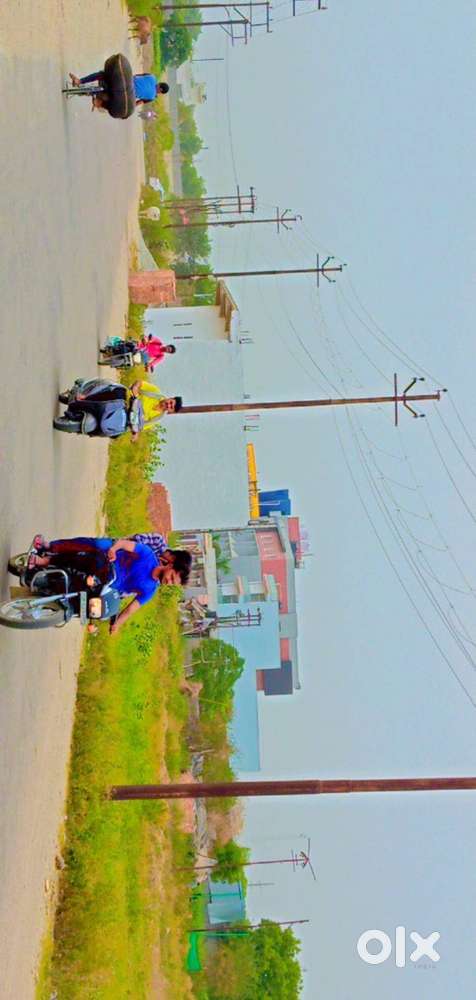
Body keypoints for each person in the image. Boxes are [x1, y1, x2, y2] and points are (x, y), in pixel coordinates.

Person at [30, 535, 187, 634]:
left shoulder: (150, 590)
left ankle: (47, 606)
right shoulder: (147, 554)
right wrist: (113, 549)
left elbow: (131, 609)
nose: (169, 582)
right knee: (88, 554)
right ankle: (46, 559)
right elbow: (124, 544)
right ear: (170, 565)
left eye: (172, 583)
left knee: (88, 609)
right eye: (172, 577)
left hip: (106, 587)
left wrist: (116, 624)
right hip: (106, 565)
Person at [69, 71, 169, 110]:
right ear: (160, 91)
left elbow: (136, 75)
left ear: (160, 84)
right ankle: (99, 103)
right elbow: (137, 103)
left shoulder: (152, 76)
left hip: (125, 81)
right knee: (115, 105)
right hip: (126, 95)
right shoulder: (152, 97)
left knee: (101, 74)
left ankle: (79, 81)